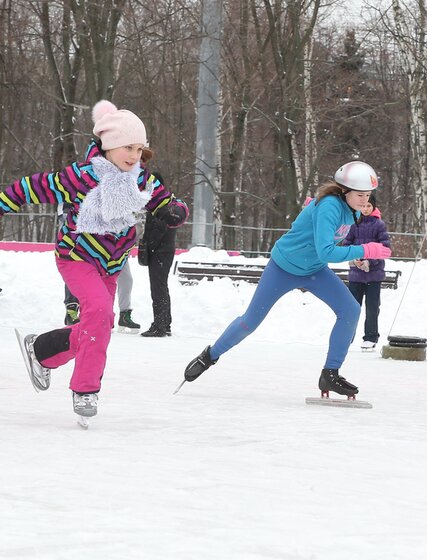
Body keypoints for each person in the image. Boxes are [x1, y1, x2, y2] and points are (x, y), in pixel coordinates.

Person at [0, 100, 188, 420]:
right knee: (99, 312)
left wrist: (175, 212)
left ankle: (41, 350)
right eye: (128, 147)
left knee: (96, 327)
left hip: (110, 265)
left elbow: (167, 202)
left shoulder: (139, 179)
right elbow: (31, 187)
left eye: (139, 149)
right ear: (110, 145)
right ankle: (85, 389)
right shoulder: (80, 177)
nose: (134, 156)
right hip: (76, 257)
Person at [181, 161, 392, 398]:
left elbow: (326, 245)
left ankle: (330, 373)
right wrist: (366, 250)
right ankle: (209, 355)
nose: (366, 201)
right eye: (361, 195)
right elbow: (327, 252)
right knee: (251, 321)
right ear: (344, 191)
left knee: (350, 310)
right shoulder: (330, 206)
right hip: (283, 268)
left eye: (369, 195)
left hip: (314, 270)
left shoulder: (352, 209)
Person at [341, 191, 391, 350]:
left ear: (373, 207)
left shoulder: (379, 225)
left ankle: (370, 337)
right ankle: (347, 337)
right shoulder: (353, 224)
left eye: (369, 205)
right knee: (352, 307)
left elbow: (385, 248)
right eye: (363, 206)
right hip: (356, 275)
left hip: (373, 275)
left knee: (372, 307)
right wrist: (353, 259)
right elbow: (347, 244)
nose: (366, 208)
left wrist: (370, 261)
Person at [139, 169, 180, 338]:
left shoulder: (162, 205)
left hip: (161, 251)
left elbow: (159, 229)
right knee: (160, 286)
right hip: (163, 250)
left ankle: (160, 325)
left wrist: (147, 245)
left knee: (158, 287)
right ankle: (165, 323)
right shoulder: (163, 203)